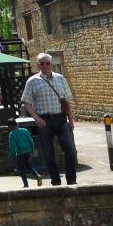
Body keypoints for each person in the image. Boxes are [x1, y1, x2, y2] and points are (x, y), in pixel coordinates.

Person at [19, 53, 78, 185]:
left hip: (61, 119)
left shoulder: (60, 78)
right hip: (44, 121)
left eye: (47, 63)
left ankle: (71, 180)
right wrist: (36, 117)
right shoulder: (32, 81)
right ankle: (56, 181)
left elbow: (66, 101)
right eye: (42, 63)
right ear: (37, 65)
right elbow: (26, 102)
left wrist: (71, 119)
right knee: (48, 153)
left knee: (69, 149)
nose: (45, 65)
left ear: (51, 64)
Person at [8, 122, 39, 187]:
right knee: (29, 166)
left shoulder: (12, 134)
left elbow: (12, 147)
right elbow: (31, 140)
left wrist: (12, 156)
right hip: (28, 151)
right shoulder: (25, 130)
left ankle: (26, 184)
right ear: (17, 124)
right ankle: (37, 176)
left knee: (22, 169)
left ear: (10, 127)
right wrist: (33, 149)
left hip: (20, 153)